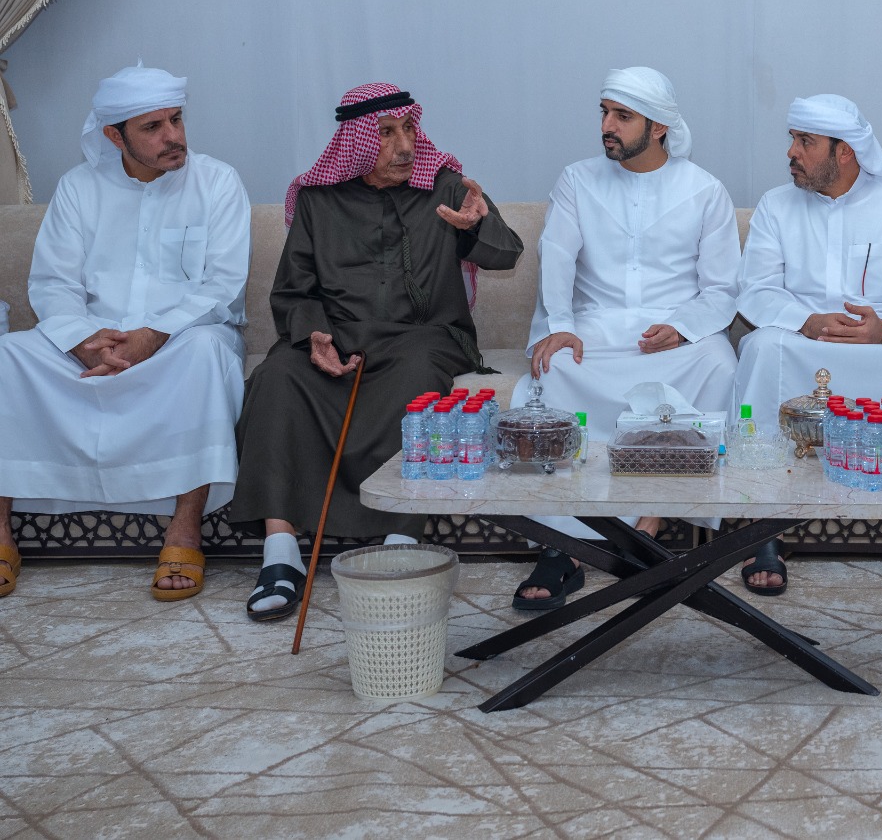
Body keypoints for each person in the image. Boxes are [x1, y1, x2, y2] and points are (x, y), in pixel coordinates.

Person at [231, 83, 523, 621]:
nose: (405, 145)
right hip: (337, 337)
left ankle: (399, 546)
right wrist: (314, 336)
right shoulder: (319, 201)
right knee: (277, 377)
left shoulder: (445, 185)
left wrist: (478, 225)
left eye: (408, 129)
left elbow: (506, 254)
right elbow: (294, 290)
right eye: (387, 134)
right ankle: (280, 554)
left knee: (416, 377)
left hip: (423, 335)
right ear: (357, 141)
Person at [0, 64, 249, 602]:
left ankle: (184, 531)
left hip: (182, 340)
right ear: (115, 136)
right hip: (94, 344)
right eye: (153, 127)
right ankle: (1, 534)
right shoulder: (79, 187)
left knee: (207, 354)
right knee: (8, 355)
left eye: (176, 119)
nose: (173, 136)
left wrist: (152, 336)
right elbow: (53, 283)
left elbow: (221, 286)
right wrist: (82, 342)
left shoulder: (218, 182)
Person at [511, 67, 740, 609]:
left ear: (658, 127)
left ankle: (647, 527)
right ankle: (563, 546)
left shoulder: (704, 190)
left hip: (674, 333)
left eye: (622, 116)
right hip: (594, 326)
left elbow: (722, 288)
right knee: (552, 371)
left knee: (720, 366)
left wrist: (681, 327)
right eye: (605, 112)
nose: (606, 126)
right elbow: (557, 255)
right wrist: (561, 326)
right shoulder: (577, 180)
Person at [734, 94, 882, 599]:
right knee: (760, 349)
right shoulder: (777, 206)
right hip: (805, 347)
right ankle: (763, 530)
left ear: (844, 152)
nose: (791, 152)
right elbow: (755, 291)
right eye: (793, 140)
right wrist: (806, 321)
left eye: (805, 142)